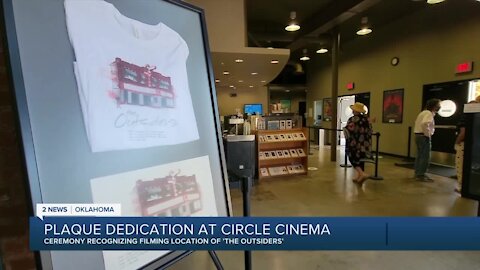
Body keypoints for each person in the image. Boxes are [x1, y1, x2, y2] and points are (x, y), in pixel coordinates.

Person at [454, 96, 480, 193]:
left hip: (464, 144)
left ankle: (462, 186)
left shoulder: (466, 117)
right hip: (475, 145)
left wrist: (456, 143)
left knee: (460, 165)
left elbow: (463, 132)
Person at [413, 98, 441, 181]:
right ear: (434, 106)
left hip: (418, 135)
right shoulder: (429, 113)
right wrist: (427, 134)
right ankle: (421, 175)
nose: (439, 107)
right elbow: (424, 123)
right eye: (438, 105)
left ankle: (417, 173)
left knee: (419, 155)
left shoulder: (423, 112)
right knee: (425, 156)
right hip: (423, 136)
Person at [345, 102, 373, 184]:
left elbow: (348, 130)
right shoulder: (366, 119)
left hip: (355, 143)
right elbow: (370, 131)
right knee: (361, 159)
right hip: (365, 144)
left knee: (352, 158)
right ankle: (359, 176)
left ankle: (362, 173)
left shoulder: (352, 119)